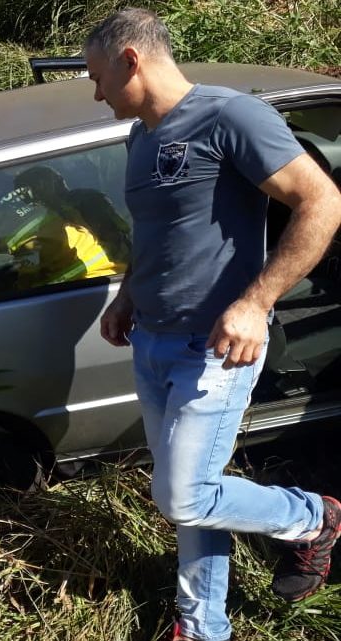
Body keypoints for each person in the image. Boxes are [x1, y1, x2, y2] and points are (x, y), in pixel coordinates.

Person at [85, 9, 341, 641]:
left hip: (214, 347)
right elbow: (158, 235)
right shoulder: (141, 137)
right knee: (191, 491)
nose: (96, 94)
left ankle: (314, 518)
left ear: (130, 60)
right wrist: (125, 294)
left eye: (97, 78)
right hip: (152, 339)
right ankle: (204, 627)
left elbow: (322, 201)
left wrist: (256, 303)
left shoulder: (230, 116)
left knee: (183, 495)